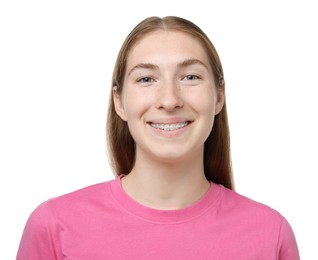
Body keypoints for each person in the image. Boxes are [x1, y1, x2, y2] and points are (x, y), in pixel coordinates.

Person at [16, 16, 300, 259]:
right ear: (119, 101)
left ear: (219, 96)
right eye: (146, 79)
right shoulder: (53, 226)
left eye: (190, 77)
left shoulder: (270, 234)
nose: (169, 99)